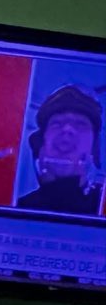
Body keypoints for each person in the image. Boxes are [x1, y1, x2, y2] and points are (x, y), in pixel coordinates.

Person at [16, 84, 104, 216]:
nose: (67, 130)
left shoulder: (102, 207)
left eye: (81, 124)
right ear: (41, 144)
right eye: (57, 124)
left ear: (94, 148)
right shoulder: (17, 209)